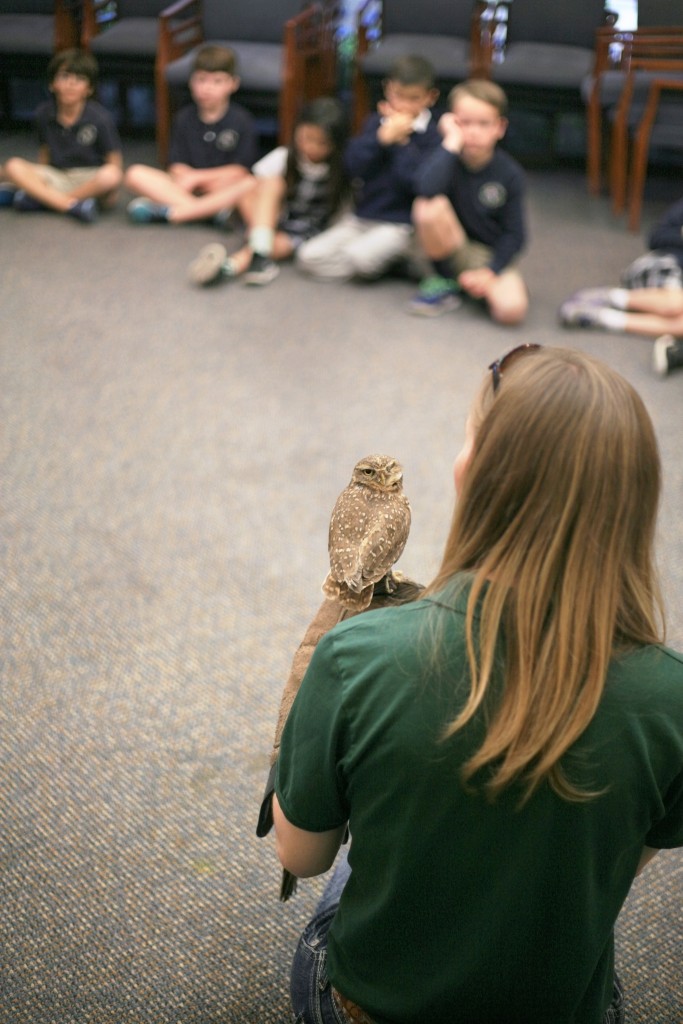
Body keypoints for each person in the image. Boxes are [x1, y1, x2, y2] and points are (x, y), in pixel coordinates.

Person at [272, 344, 683, 1024]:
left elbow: (302, 853)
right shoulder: (671, 698)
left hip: (369, 1007)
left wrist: (307, 715)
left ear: (473, 473)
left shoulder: (358, 653)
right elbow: (618, 863)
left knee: (354, 863)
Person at [295, 55, 441, 282]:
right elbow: (353, 167)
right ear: (387, 90)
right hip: (361, 218)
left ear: (430, 98)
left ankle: (383, 256)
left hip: (400, 225)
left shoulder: (433, 136)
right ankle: (385, 263)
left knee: (360, 258)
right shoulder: (374, 124)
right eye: (398, 96)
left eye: (414, 99)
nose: (403, 105)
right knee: (308, 257)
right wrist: (381, 139)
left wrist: (400, 143)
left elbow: (416, 182)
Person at [187, 96, 348, 287]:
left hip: (302, 231)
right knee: (267, 183)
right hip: (271, 219)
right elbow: (252, 186)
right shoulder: (285, 156)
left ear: (335, 145)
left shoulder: (343, 168)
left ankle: (229, 267)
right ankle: (260, 249)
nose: (309, 146)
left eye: (320, 143)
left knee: (277, 245)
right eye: (305, 138)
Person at [409, 79, 528, 323]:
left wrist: (490, 271)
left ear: (500, 127)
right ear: (452, 122)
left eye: (484, 124)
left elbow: (516, 235)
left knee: (511, 311)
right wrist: (451, 141)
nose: (473, 132)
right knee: (427, 207)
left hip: (488, 255)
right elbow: (424, 188)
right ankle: (445, 281)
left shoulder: (510, 174)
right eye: (465, 123)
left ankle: (469, 282)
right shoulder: (446, 156)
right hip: (453, 244)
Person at [123, 45, 258, 225]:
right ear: (191, 82)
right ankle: (208, 213)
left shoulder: (242, 120)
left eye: (217, 81)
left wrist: (198, 178)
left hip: (218, 185)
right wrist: (188, 178)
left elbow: (240, 170)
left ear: (233, 84)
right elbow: (176, 165)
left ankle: (174, 211)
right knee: (135, 174)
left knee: (249, 183)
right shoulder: (183, 117)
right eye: (201, 80)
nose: (207, 88)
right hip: (186, 187)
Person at [560, 196, 683, 376]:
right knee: (675, 304)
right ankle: (609, 297)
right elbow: (656, 237)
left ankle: (604, 318)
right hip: (666, 265)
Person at [0, 49, 122, 224]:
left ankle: (44, 200)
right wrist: (37, 177)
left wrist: (109, 191)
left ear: (89, 89)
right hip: (57, 175)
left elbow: (114, 162)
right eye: (64, 77)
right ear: (52, 84)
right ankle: (70, 205)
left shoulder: (100, 118)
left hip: (87, 178)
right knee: (13, 166)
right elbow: (45, 154)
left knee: (112, 175)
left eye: (80, 79)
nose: (71, 84)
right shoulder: (43, 113)